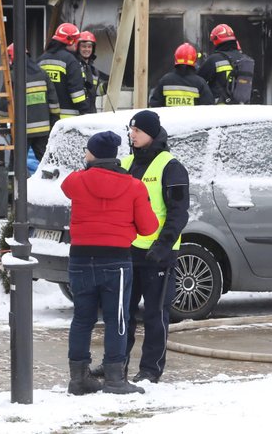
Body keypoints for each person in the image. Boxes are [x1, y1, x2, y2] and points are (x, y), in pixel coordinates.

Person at [61, 130, 158, 396]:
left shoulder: (77, 181)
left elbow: (67, 185)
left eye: (87, 151)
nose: (84, 154)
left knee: (82, 318)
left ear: (93, 154)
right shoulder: (134, 186)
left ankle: (79, 379)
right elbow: (149, 228)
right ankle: (115, 378)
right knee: (117, 319)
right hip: (115, 261)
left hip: (80, 258)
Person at [123, 110, 190, 384]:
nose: (132, 134)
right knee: (123, 314)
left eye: (137, 130)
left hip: (158, 254)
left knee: (154, 314)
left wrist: (163, 247)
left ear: (151, 133)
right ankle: (117, 365)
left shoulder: (171, 166)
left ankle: (150, 371)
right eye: (131, 130)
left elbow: (178, 212)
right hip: (128, 251)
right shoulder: (126, 162)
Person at [0, 43, 60, 161]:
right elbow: (53, 101)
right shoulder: (42, 74)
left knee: (17, 162)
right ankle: (51, 179)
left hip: (22, 129)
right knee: (45, 160)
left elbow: (5, 101)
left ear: (11, 57)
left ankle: (15, 179)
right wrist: (54, 120)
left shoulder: (12, 76)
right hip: (43, 129)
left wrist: (1, 123)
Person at [37, 22, 91, 119]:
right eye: (76, 40)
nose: (77, 44)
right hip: (68, 119)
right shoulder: (71, 61)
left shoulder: (41, 60)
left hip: (45, 118)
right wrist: (87, 113)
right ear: (69, 41)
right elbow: (77, 94)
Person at [197, 23, 254, 104]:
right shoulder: (246, 60)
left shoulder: (214, 59)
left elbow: (198, 81)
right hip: (242, 110)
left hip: (220, 110)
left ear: (216, 40)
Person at [149, 43, 214, 107]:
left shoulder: (165, 81)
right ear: (194, 60)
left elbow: (155, 105)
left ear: (176, 58)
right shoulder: (200, 83)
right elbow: (208, 107)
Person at [76, 31, 109, 113]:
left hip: (91, 113)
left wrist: (106, 86)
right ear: (78, 48)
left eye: (89, 47)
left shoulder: (93, 71)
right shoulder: (74, 66)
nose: (87, 49)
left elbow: (96, 91)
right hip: (78, 113)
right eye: (83, 46)